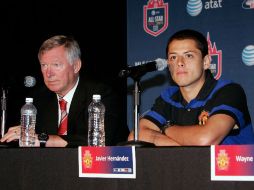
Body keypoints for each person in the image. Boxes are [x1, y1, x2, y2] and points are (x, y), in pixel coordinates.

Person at [128, 29, 254, 146]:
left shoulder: (228, 91)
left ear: (206, 62)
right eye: (173, 57)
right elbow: (137, 135)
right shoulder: (168, 97)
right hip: (190, 167)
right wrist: (183, 151)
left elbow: (205, 139)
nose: (180, 62)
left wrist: (165, 128)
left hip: (232, 169)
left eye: (188, 55)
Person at [1, 35, 129, 147]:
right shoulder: (38, 99)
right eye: (44, 65)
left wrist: (43, 139)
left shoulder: (100, 95)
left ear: (76, 66)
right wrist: (20, 135)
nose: (48, 73)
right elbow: (29, 139)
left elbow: (98, 141)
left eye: (56, 65)